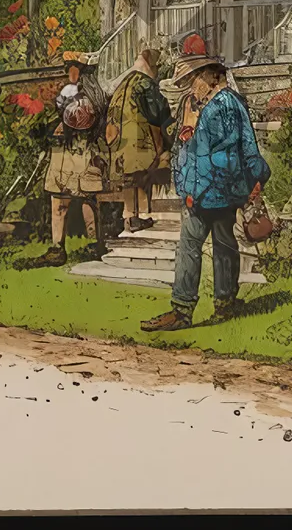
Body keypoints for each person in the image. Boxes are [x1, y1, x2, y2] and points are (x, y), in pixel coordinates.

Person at [142, 55, 271, 332]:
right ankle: (216, 304)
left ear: (212, 76)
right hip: (210, 189)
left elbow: (228, 152)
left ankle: (189, 307)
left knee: (202, 245)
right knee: (215, 245)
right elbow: (195, 146)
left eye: (195, 79)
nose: (192, 86)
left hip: (213, 188)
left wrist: (254, 178)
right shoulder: (208, 104)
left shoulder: (223, 105)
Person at [27, 50, 108, 269]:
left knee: (86, 197)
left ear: (82, 71)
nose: (70, 72)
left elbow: (86, 121)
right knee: (58, 199)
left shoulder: (94, 94)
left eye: (73, 67)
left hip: (83, 150)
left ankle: (93, 243)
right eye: (68, 68)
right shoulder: (68, 91)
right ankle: (57, 248)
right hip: (63, 150)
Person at [103, 45, 172, 232]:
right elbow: (156, 115)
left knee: (129, 179)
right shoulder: (145, 84)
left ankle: (129, 216)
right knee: (141, 176)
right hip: (138, 140)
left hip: (119, 142)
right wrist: (163, 141)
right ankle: (141, 215)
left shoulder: (123, 84)